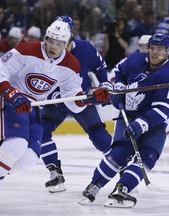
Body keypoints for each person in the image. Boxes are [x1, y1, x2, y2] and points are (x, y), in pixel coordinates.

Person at [0, 19, 110, 213]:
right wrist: (12, 93)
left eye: (59, 43)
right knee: (16, 145)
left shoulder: (71, 65)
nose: (53, 46)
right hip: (11, 101)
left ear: (67, 43)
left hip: (33, 107)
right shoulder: (25, 50)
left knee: (28, 159)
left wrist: (89, 99)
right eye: (51, 40)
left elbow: (72, 101)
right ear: (45, 38)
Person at [78, 33, 169, 208]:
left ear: (167, 52)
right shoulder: (136, 59)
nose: (155, 52)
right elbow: (119, 72)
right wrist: (119, 88)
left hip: (152, 122)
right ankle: (93, 186)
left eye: (160, 49)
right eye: (153, 48)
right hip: (129, 114)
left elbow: (161, 110)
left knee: (148, 156)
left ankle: (122, 189)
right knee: (120, 153)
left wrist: (141, 124)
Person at [40, 15, 113, 193]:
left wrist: (105, 84)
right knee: (40, 132)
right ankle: (55, 174)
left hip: (80, 100)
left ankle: (122, 165)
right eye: (53, 39)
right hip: (55, 102)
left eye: (60, 39)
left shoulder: (85, 49)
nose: (55, 43)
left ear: (70, 36)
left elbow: (100, 66)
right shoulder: (42, 52)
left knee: (100, 138)